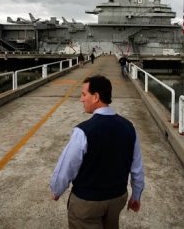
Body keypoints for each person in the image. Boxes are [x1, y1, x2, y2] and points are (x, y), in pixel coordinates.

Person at [50, 75, 144, 229]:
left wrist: (56, 190)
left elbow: (67, 165)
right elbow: (137, 167)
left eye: (84, 94)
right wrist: (136, 195)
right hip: (117, 198)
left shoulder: (83, 131)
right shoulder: (129, 127)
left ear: (96, 97)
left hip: (88, 202)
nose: (81, 99)